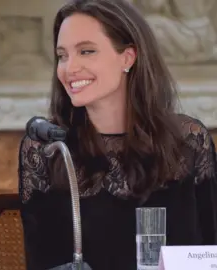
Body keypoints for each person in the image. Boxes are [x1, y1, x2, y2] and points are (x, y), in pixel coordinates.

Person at [18, 0, 217, 269]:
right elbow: (41, 261)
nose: (69, 68)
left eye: (86, 51)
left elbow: (210, 249)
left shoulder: (189, 141)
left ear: (128, 57)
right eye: (62, 55)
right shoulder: (47, 148)